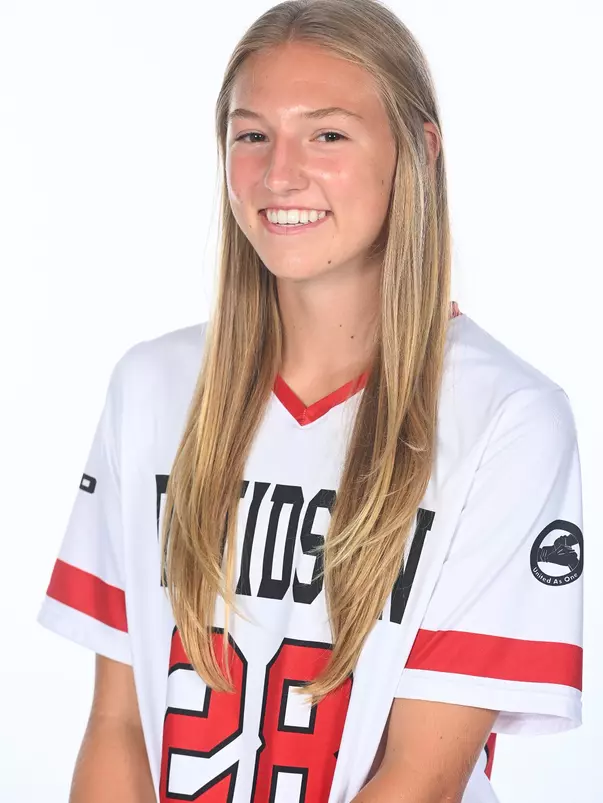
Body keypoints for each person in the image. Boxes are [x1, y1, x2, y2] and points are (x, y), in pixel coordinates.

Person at [38, 1, 584, 801]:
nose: (277, 173)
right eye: (250, 133)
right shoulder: (151, 387)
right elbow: (116, 727)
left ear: (418, 151)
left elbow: (420, 779)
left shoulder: (507, 416)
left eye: (326, 134)